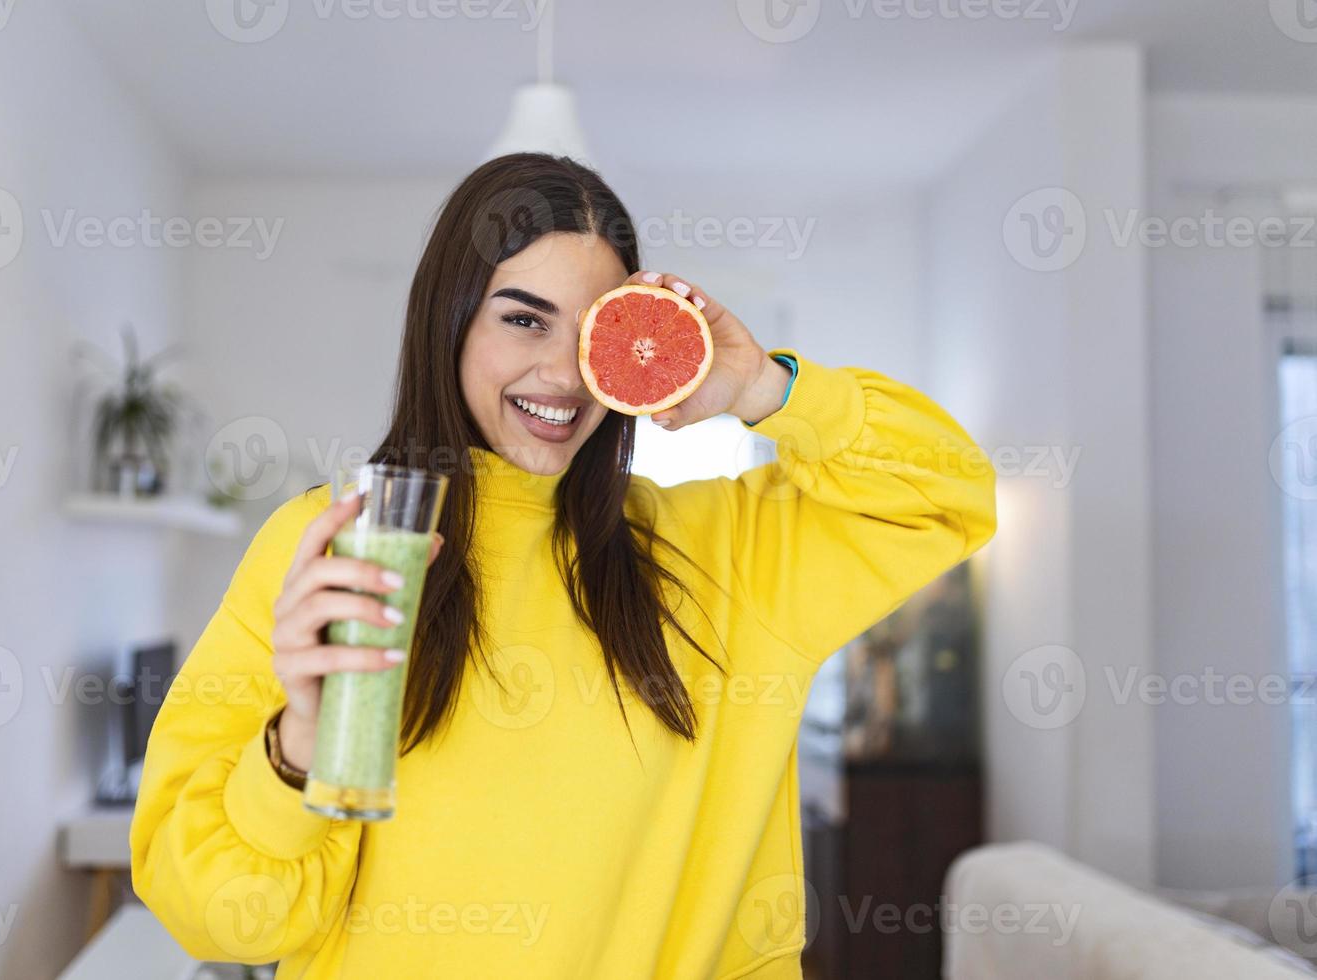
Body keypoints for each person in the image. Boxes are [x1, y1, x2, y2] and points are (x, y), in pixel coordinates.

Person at [129, 152, 997, 978]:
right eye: (522, 318)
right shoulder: (334, 542)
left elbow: (948, 491)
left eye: (594, 334)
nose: (563, 373)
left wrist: (764, 387)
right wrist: (297, 749)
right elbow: (218, 915)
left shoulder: (727, 553)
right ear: (450, 319)